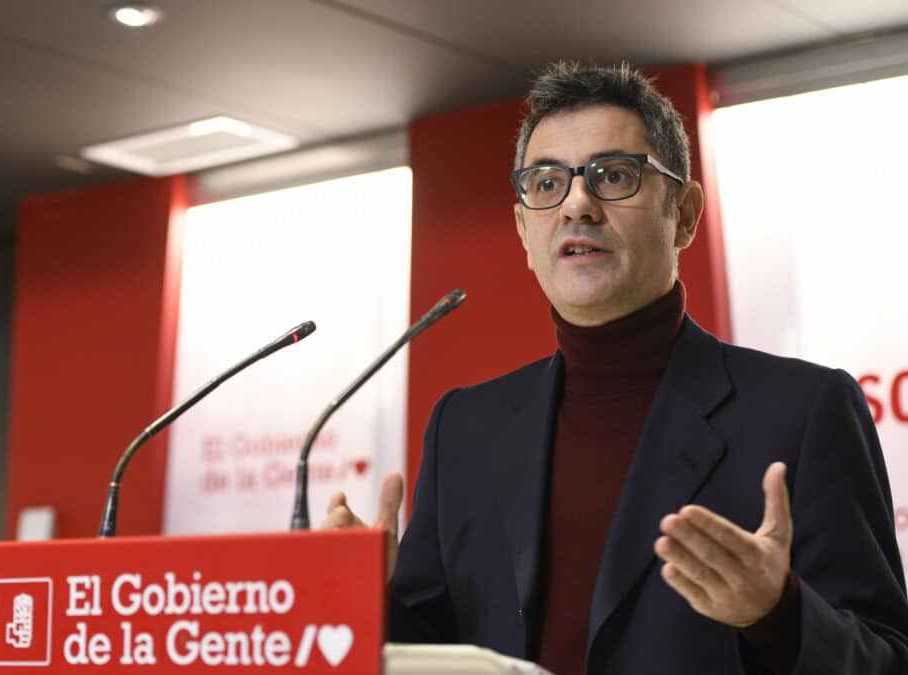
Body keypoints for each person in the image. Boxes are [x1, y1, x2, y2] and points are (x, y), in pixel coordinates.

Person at [322, 61, 908, 675]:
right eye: (546, 184)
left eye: (613, 176)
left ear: (683, 213)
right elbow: (438, 648)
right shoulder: (465, 427)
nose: (577, 204)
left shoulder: (803, 410)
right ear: (525, 229)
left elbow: (885, 659)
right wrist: (371, 599)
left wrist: (777, 613)